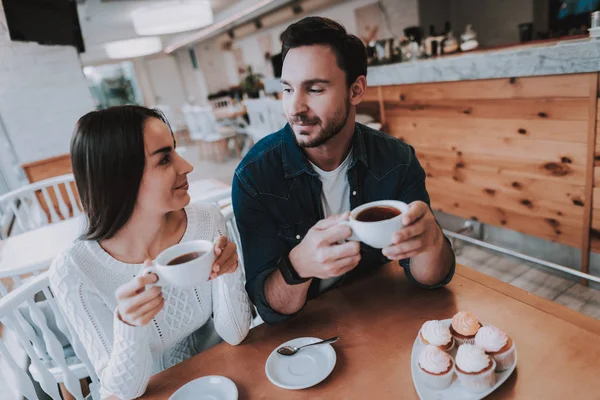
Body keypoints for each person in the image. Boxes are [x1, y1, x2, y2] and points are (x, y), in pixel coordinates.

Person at [232, 17, 455, 325]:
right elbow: (269, 308)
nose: (294, 107)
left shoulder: (397, 159)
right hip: (305, 336)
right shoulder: (254, 177)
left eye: (314, 89)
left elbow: (431, 279)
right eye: (287, 89)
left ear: (356, 90)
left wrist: (431, 243)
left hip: (378, 317)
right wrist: (298, 266)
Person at [49, 106, 251, 399]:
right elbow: (123, 392)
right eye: (165, 159)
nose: (186, 166)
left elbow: (234, 334)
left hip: (221, 380)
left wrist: (228, 274)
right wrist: (130, 326)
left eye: (175, 151)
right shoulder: (74, 270)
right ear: (120, 177)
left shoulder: (207, 221)